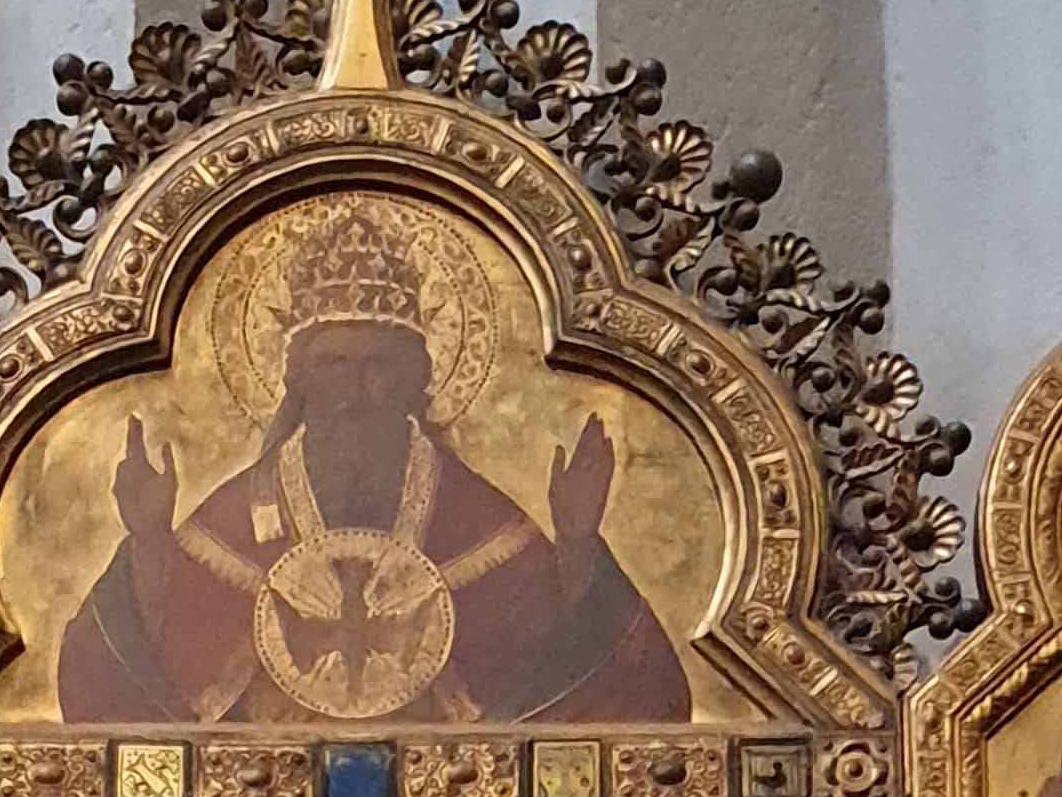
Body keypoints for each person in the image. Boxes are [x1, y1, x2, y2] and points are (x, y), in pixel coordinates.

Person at [53, 196, 689, 727]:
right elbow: (127, 677)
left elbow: (591, 683)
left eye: (378, 366)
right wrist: (148, 542)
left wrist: (577, 544)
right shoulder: (238, 516)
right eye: (333, 365)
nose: (354, 392)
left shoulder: (475, 517)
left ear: (416, 379)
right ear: (299, 382)